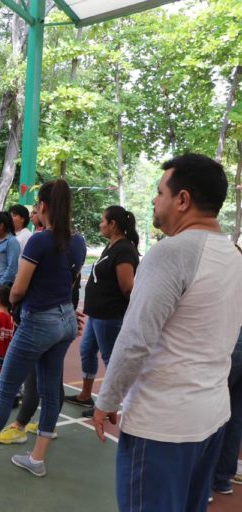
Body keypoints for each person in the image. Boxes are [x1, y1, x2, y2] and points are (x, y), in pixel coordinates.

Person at [93, 154, 242, 511]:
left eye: (160, 192)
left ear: (183, 200)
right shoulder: (233, 255)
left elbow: (135, 339)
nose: (155, 201)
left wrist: (107, 400)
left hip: (163, 426)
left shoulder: (170, 253)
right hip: (210, 417)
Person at [0, 179, 85, 478]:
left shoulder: (39, 240)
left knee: (6, 387)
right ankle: (37, 458)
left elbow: (19, 289)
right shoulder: (78, 241)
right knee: (49, 390)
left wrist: (11, 298)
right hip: (65, 322)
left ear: (43, 206)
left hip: (38, 321)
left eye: (36, 206)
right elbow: (70, 283)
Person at [65, 206, 139, 418]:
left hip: (110, 314)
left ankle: (110, 405)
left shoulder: (124, 249)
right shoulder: (111, 246)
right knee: (87, 350)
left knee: (111, 359)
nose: (100, 224)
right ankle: (86, 394)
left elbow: (127, 286)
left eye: (102, 221)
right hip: (98, 314)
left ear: (113, 224)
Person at [211, 328, 242, 497]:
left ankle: (206, 485)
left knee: (213, 412)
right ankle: (222, 480)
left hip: (231, 336)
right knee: (236, 419)